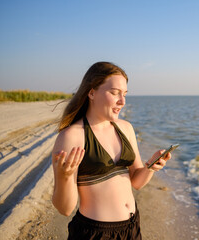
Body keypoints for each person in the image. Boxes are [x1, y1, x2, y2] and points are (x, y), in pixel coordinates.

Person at [51, 61, 171, 240]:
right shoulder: (72, 137)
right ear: (91, 92)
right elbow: (65, 209)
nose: (122, 101)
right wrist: (64, 177)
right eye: (114, 93)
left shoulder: (126, 128)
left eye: (124, 94)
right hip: (95, 233)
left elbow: (136, 181)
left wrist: (151, 166)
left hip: (131, 227)